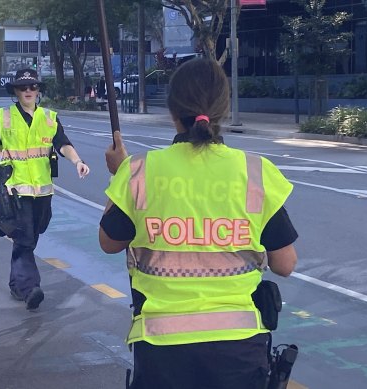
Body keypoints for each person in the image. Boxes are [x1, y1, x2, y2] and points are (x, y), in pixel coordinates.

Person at [99, 58, 298, 389]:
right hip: (239, 348)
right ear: (223, 107)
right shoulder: (254, 171)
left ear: (172, 110)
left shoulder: (139, 170)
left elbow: (109, 243)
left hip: (162, 349)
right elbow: (285, 264)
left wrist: (120, 174)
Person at [0, 68, 90, 311]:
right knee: (25, 236)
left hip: (42, 191)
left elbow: (63, 144)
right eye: (22, 87)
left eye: (32, 87)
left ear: (38, 91)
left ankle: (16, 283)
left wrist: (78, 162)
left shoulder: (49, 117)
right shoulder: (4, 116)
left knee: (31, 235)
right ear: (15, 92)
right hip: (14, 189)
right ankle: (30, 288)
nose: (28, 91)